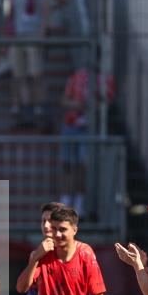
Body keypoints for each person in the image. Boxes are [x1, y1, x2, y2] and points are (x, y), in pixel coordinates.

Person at [58, 65, 116, 216]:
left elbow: (106, 103)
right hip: (70, 125)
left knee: (82, 165)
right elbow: (64, 100)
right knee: (67, 164)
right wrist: (77, 105)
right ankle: (65, 200)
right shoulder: (76, 76)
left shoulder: (104, 79)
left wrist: (91, 107)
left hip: (88, 129)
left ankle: (78, 202)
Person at [7, 0, 49, 124]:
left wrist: (42, 32)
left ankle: (39, 105)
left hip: (33, 34)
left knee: (36, 73)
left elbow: (45, 8)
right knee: (19, 74)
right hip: (18, 35)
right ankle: (24, 108)